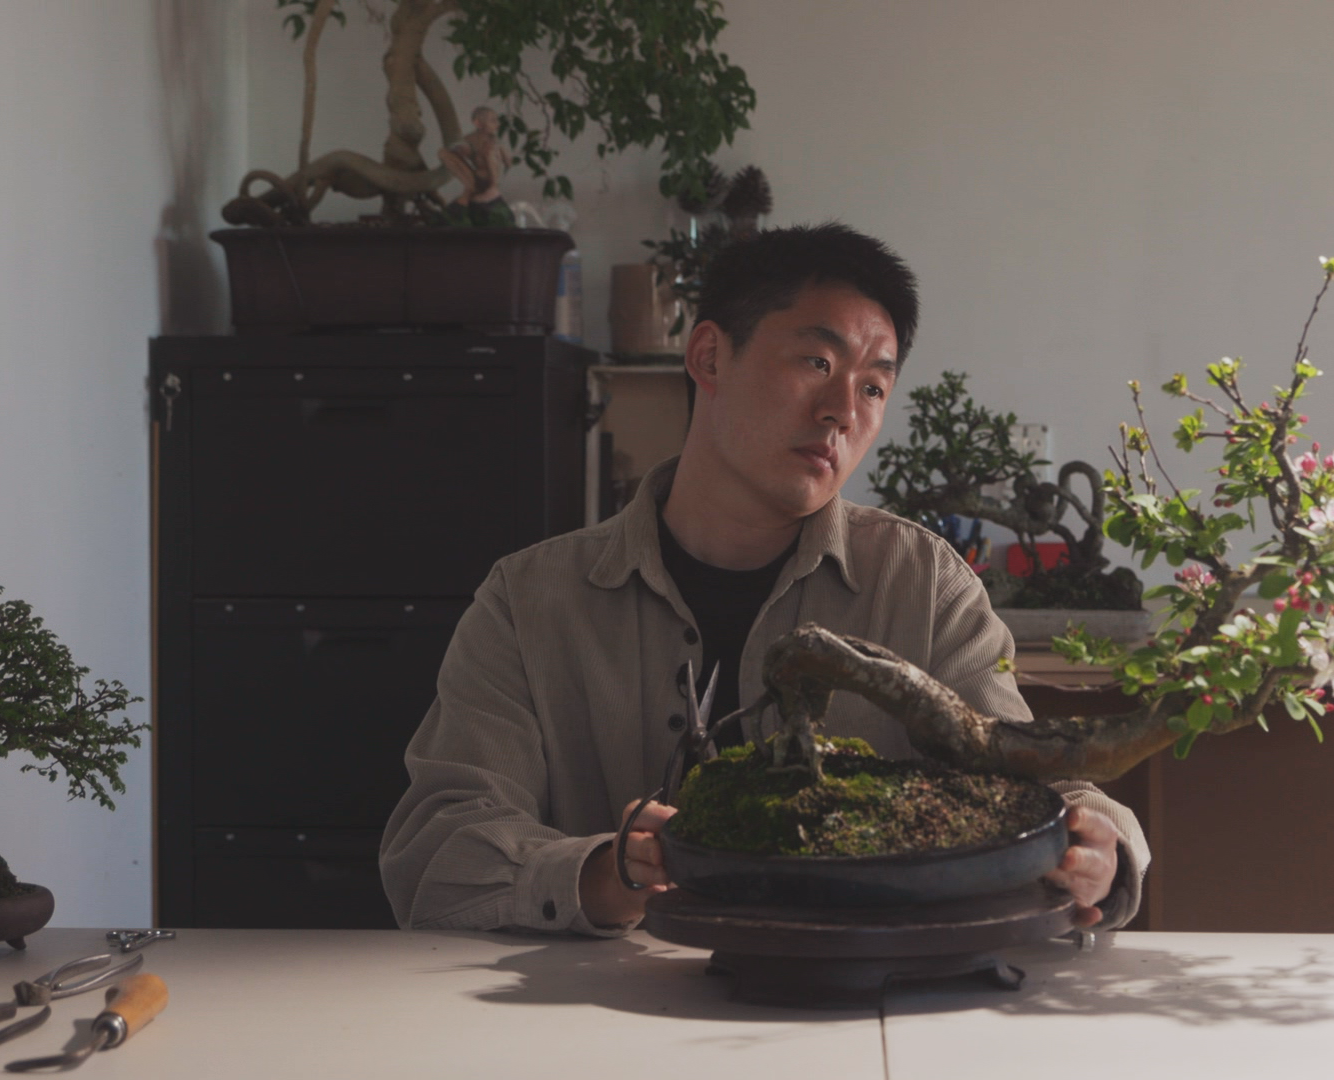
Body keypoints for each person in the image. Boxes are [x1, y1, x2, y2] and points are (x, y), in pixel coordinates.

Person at [380, 223, 1149, 935]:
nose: (843, 410)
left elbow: (1044, 788)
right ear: (710, 356)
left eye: (874, 386)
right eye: (817, 362)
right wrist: (597, 872)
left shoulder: (925, 585)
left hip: (858, 1013)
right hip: (597, 1023)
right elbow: (436, 848)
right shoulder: (531, 600)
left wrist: (1098, 852)